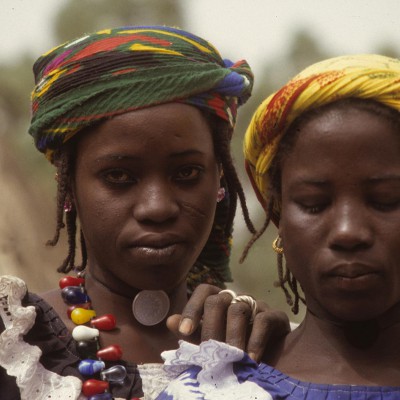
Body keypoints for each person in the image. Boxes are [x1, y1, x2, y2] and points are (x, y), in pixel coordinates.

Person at [0, 26, 289, 400]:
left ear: (219, 178)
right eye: (119, 176)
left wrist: (289, 357)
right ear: (69, 185)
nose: (157, 207)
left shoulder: (256, 344)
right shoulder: (18, 344)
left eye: (186, 173)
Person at [156, 54, 400, 399]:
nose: (348, 231)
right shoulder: (216, 390)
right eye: (314, 204)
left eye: (387, 200)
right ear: (277, 214)